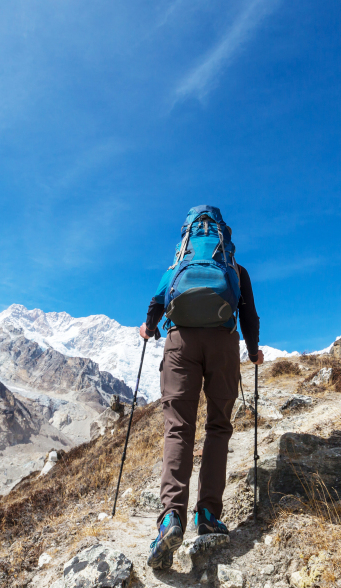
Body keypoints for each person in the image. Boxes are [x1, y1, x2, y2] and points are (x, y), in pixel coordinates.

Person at [138, 207, 263, 571]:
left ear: (188, 234)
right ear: (223, 234)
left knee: (178, 428)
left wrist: (150, 328)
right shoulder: (234, 269)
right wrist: (253, 352)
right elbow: (249, 315)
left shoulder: (179, 264)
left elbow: (155, 304)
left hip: (180, 344)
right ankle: (207, 514)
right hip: (223, 344)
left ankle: (170, 519)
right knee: (219, 428)